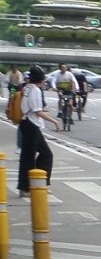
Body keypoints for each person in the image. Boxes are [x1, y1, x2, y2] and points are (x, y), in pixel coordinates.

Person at [14, 64, 60, 199]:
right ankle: (30, 187)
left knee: (38, 155)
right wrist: (54, 121)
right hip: (31, 125)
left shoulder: (27, 88)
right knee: (34, 157)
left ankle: (36, 185)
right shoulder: (35, 90)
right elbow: (37, 111)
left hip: (27, 124)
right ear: (41, 78)